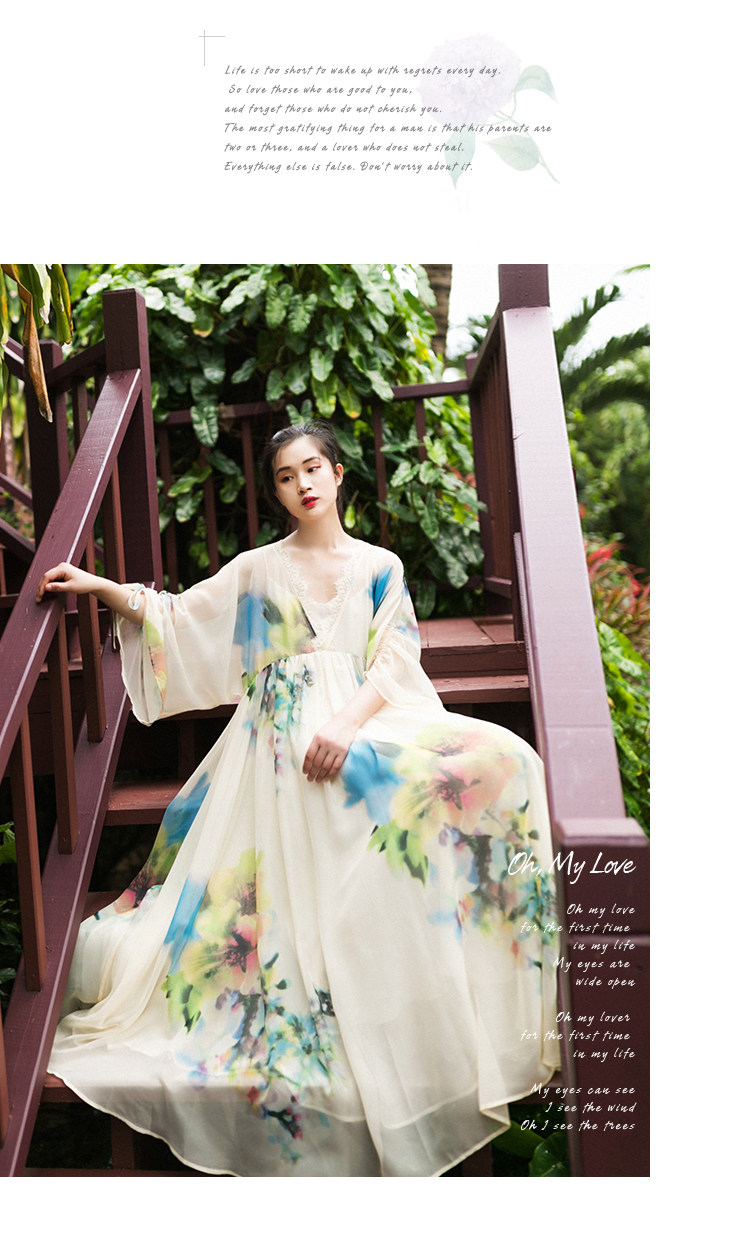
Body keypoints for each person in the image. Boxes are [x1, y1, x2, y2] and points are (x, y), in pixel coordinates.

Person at [37, 421, 559, 1177]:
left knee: (507, 761)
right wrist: (102, 588)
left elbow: (395, 658)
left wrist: (344, 726)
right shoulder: (258, 569)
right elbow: (182, 616)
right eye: (285, 476)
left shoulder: (379, 566)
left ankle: (458, 996)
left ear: (338, 474)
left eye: (312, 468)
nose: (302, 484)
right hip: (275, 740)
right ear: (277, 490)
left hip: (359, 723)